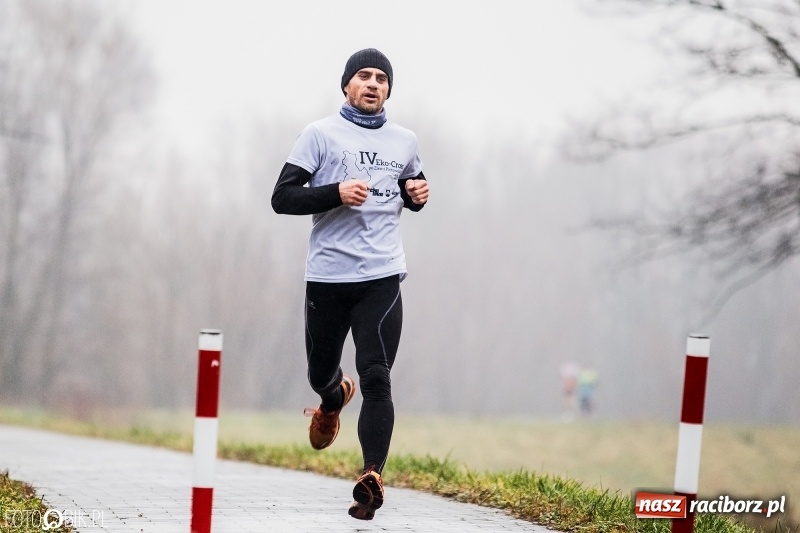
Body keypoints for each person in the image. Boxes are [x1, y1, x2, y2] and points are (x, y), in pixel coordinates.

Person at [271, 48, 429, 521]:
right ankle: (331, 398)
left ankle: (371, 476)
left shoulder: (405, 140)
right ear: (347, 85)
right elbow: (282, 198)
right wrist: (335, 193)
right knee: (319, 370)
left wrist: (417, 194)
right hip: (327, 277)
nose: (373, 83)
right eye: (364, 75)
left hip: (381, 275)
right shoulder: (319, 134)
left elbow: (409, 185)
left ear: (388, 90)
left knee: (377, 375)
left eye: (382, 78)